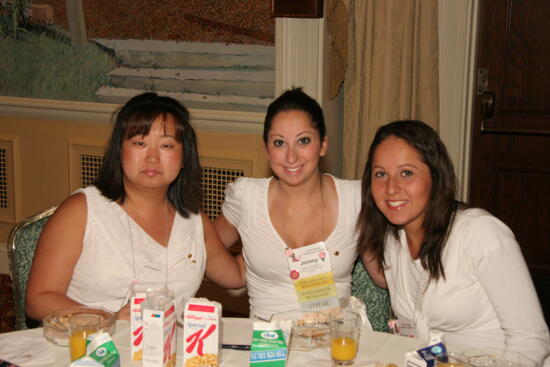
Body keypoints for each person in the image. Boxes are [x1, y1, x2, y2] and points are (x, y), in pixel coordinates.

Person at [26, 92, 245, 321]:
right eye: (140, 143)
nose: (152, 157)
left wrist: (275, 217)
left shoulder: (192, 218)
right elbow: (39, 299)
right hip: (90, 349)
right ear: (119, 151)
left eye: (166, 145)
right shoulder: (83, 209)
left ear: (183, 159)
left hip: (166, 352)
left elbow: (235, 276)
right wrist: (109, 320)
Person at [357, 120, 550, 363]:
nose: (391, 188)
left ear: (436, 177)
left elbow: (531, 339)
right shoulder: (393, 240)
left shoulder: (480, 233)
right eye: (380, 174)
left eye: (407, 173)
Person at [214, 87, 380, 322]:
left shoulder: (355, 199)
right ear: (266, 150)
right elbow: (200, 254)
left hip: (335, 347)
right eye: (279, 143)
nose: (291, 157)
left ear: (323, 145)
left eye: (303, 141)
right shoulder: (246, 198)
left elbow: (384, 276)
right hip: (269, 348)